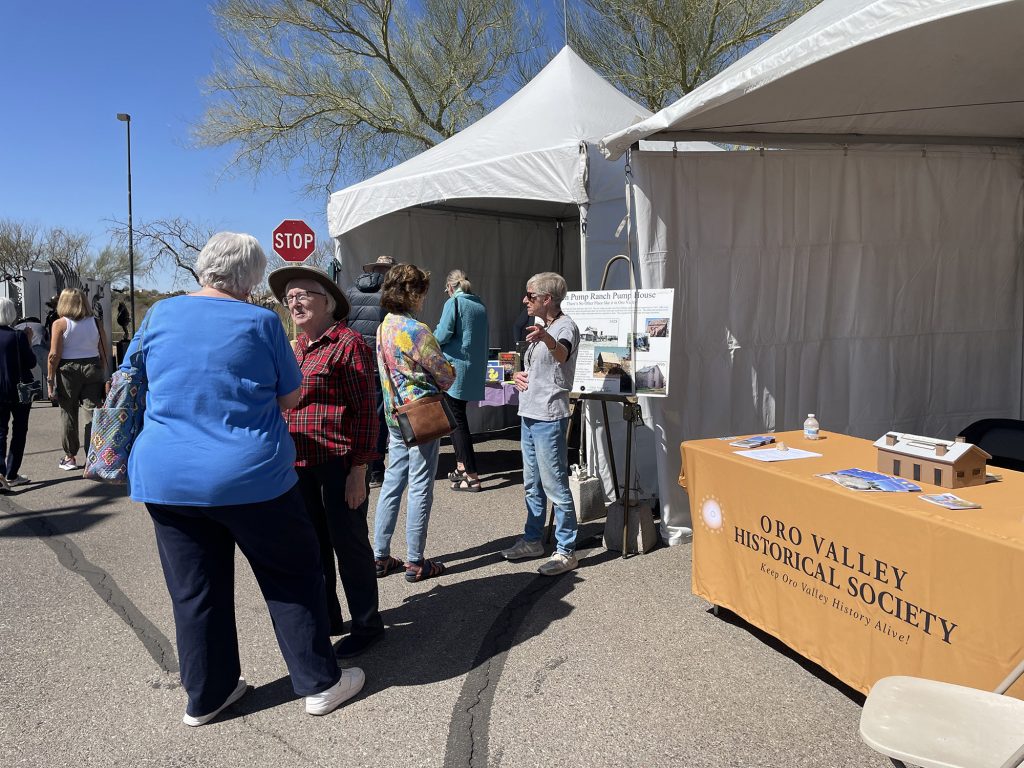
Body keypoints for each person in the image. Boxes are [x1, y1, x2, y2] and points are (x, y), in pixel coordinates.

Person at [122, 232, 364, 725]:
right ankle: (319, 683)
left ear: (203, 268)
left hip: (167, 475)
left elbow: (130, 377)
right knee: (291, 575)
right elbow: (290, 396)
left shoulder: (160, 314)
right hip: (250, 475)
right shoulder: (259, 322)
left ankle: (207, 695)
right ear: (251, 278)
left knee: (195, 590)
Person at [268, 262, 386, 659]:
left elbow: (367, 411)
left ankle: (367, 624)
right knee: (313, 546)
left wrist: (360, 469)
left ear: (328, 302)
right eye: (290, 297)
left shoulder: (348, 343)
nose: (294, 302)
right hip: (299, 465)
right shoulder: (296, 348)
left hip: (338, 463)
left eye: (303, 295)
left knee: (349, 545)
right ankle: (330, 617)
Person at [373, 263, 456, 583]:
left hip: (395, 416)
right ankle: (416, 561)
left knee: (392, 483)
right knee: (421, 485)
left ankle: (380, 555)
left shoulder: (384, 327)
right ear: (413, 293)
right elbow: (445, 376)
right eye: (422, 292)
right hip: (421, 417)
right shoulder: (416, 330)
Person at [501, 272, 581, 576]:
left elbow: (562, 354)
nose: (525, 300)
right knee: (532, 483)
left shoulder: (564, 326)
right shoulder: (541, 326)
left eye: (531, 295)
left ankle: (566, 551)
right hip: (530, 413)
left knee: (555, 485)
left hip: (549, 416)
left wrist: (546, 337)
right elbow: (535, 367)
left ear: (547, 299)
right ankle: (533, 540)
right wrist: (517, 375)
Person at [433, 269, 489, 492]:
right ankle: (461, 467)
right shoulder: (480, 305)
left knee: (457, 423)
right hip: (473, 369)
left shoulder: (454, 303)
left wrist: (427, 340)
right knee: (457, 418)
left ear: (450, 287)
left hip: (454, 370)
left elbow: (442, 334)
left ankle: (472, 477)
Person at [346, 254, 395, 487]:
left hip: (352, 362)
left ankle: (352, 463)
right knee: (376, 418)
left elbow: (342, 324)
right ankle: (375, 469)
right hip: (377, 363)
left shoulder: (350, 292)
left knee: (352, 412)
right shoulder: (390, 296)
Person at [47, 288, 108, 471]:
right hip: (92, 367)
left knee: (68, 412)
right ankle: (92, 456)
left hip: (68, 370)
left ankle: (70, 457)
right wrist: (102, 370)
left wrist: (50, 380)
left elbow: (54, 355)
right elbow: (103, 350)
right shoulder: (96, 322)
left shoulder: (60, 324)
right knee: (92, 412)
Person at [0, 299, 38, 488]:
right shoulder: (18, 336)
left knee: (1, 431)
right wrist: (29, 341)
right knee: (19, 430)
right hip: (19, 390)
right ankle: (11, 473)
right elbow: (31, 362)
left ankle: (0, 474)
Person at [14, 315, 47, 396]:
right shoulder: (40, 326)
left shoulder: (16, 327)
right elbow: (48, 341)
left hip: (22, 349)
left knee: (21, 371)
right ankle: (52, 394)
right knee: (48, 373)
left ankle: (23, 394)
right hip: (39, 347)